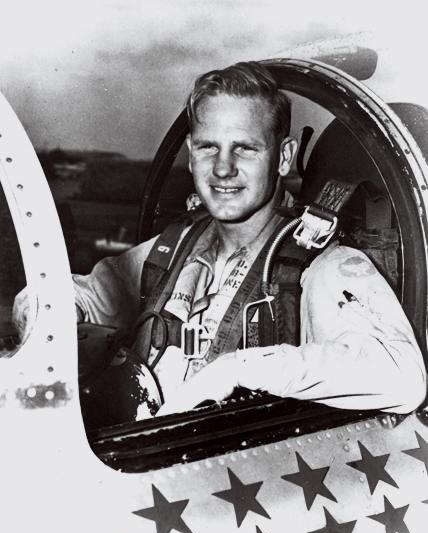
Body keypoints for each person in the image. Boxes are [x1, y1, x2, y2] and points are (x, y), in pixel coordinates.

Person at [13, 61, 426, 420]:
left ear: (283, 157)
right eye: (209, 147)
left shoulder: (318, 264)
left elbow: (401, 374)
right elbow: (73, 297)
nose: (223, 168)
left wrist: (238, 370)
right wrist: (45, 313)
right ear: (191, 155)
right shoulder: (175, 248)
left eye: (245, 148)